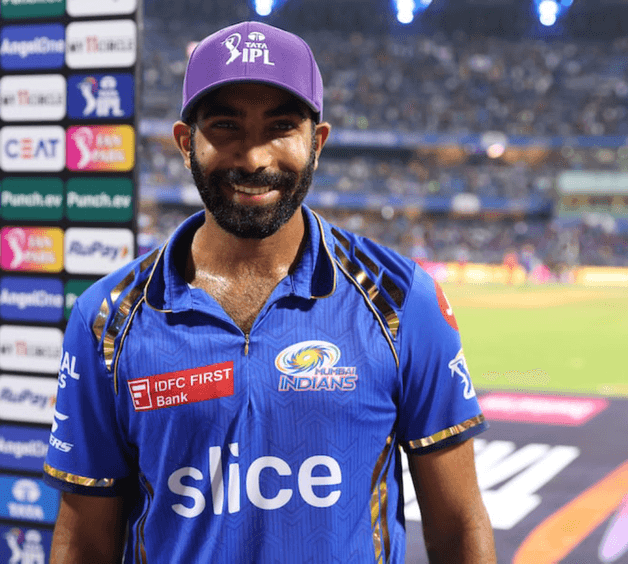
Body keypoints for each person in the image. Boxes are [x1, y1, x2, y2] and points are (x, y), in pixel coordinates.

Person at [44, 21, 496, 564]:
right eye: (226, 126)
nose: (254, 158)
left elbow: (459, 528)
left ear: (317, 143)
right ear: (186, 143)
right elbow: (85, 542)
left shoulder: (402, 300)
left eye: (281, 127)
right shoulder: (105, 319)